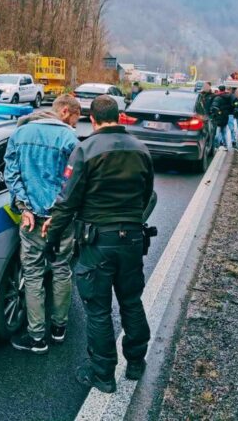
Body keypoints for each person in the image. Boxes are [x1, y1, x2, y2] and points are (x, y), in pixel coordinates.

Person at [42, 95, 154, 393]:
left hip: (96, 242)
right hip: (131, 239)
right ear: (119, 117)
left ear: (92, 119)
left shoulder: (85, 150)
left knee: (99, 310)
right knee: (131, 301)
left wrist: (51, 240)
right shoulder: (142, 150)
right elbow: (148, 195)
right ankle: (136, 363)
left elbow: (67, 201)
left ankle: (103, 375)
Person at [3, 94, 81, 354]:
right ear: (65, 112)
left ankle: (37, 338)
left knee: (33, 274)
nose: (76, 124)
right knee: (61, 269)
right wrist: (59, 214)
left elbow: (11, 175)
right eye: (76, 118)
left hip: (31, 220)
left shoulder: (20, 133)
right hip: (59, 220)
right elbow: (74, 183)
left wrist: (24, 206)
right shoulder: (70, 139)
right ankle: (59, 329)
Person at [210, 85, 232, 150]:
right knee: (224, 133)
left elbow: (214, 108)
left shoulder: (217, 98)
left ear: (219, 90)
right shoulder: (228, 97)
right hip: (225, 118)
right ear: (224, 89)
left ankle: (217, 146)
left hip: (218, 118)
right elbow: (231, 106)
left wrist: (215, 114)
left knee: (217, 134)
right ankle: (225, 146)